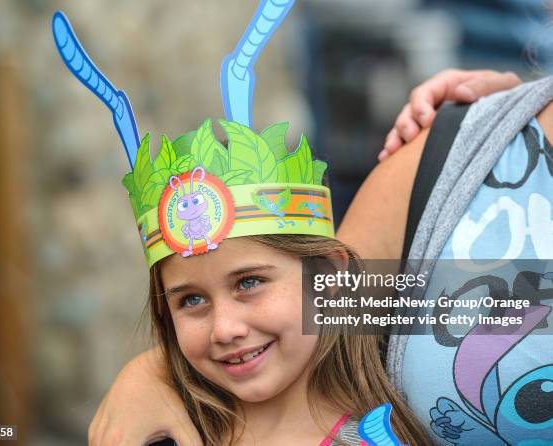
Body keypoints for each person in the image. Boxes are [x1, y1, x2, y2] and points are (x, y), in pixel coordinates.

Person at [87, 68, 527, 446]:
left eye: (249, 282)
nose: (225, 329)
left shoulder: (385, 427)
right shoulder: (165, 429)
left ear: (330, 274)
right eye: (191, 300)